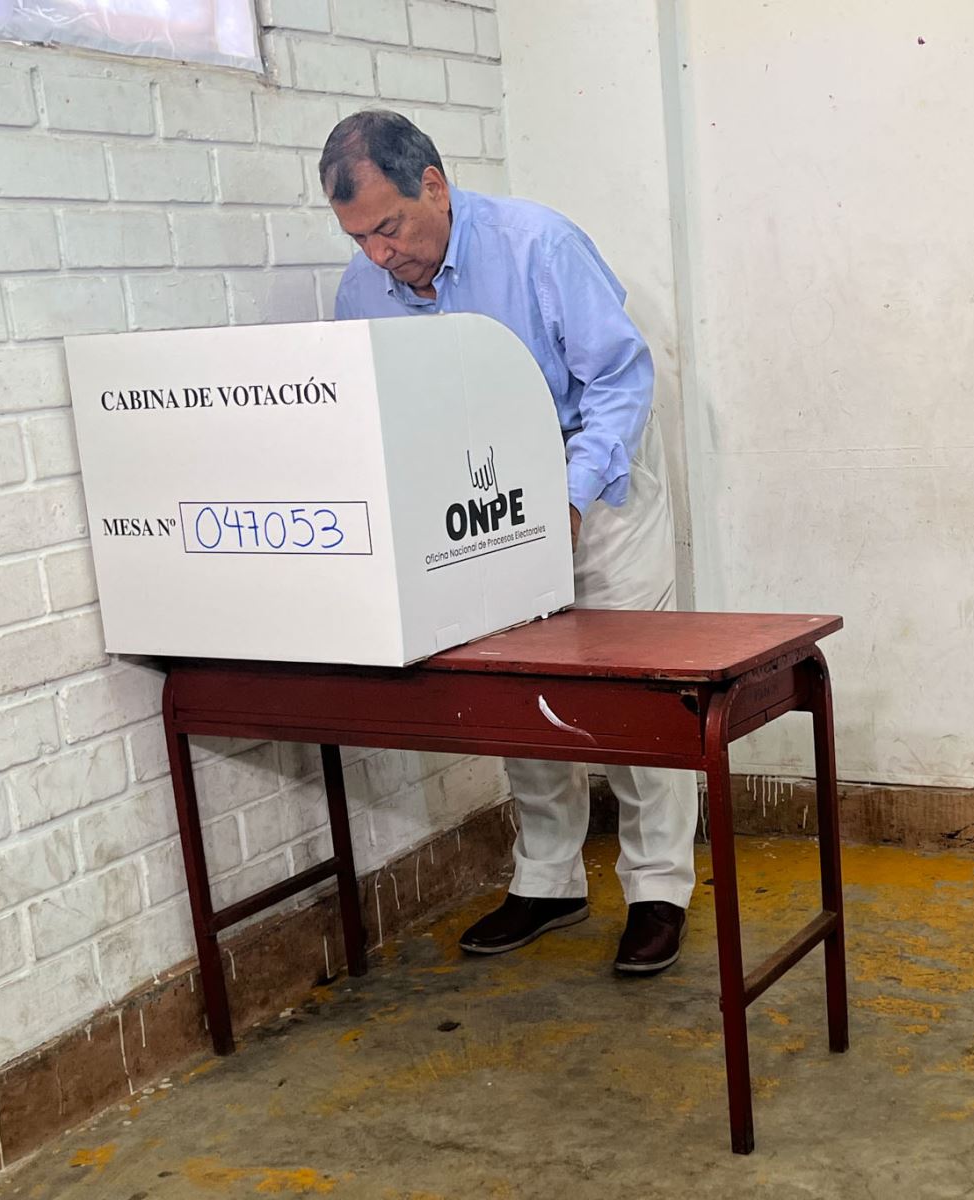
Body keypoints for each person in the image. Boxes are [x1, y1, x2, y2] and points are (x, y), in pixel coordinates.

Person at [322, 110, 696, 974]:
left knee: (638, 690)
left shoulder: (539, 246)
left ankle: (658, 889)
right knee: (514, 682)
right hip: (480, 500)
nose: (378, 255)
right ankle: (549, 879)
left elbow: (617, 382)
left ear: (435, 185)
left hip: (595, 480)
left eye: (388, 227)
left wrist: (562, 503)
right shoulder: (361, 290)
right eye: (356, 236)